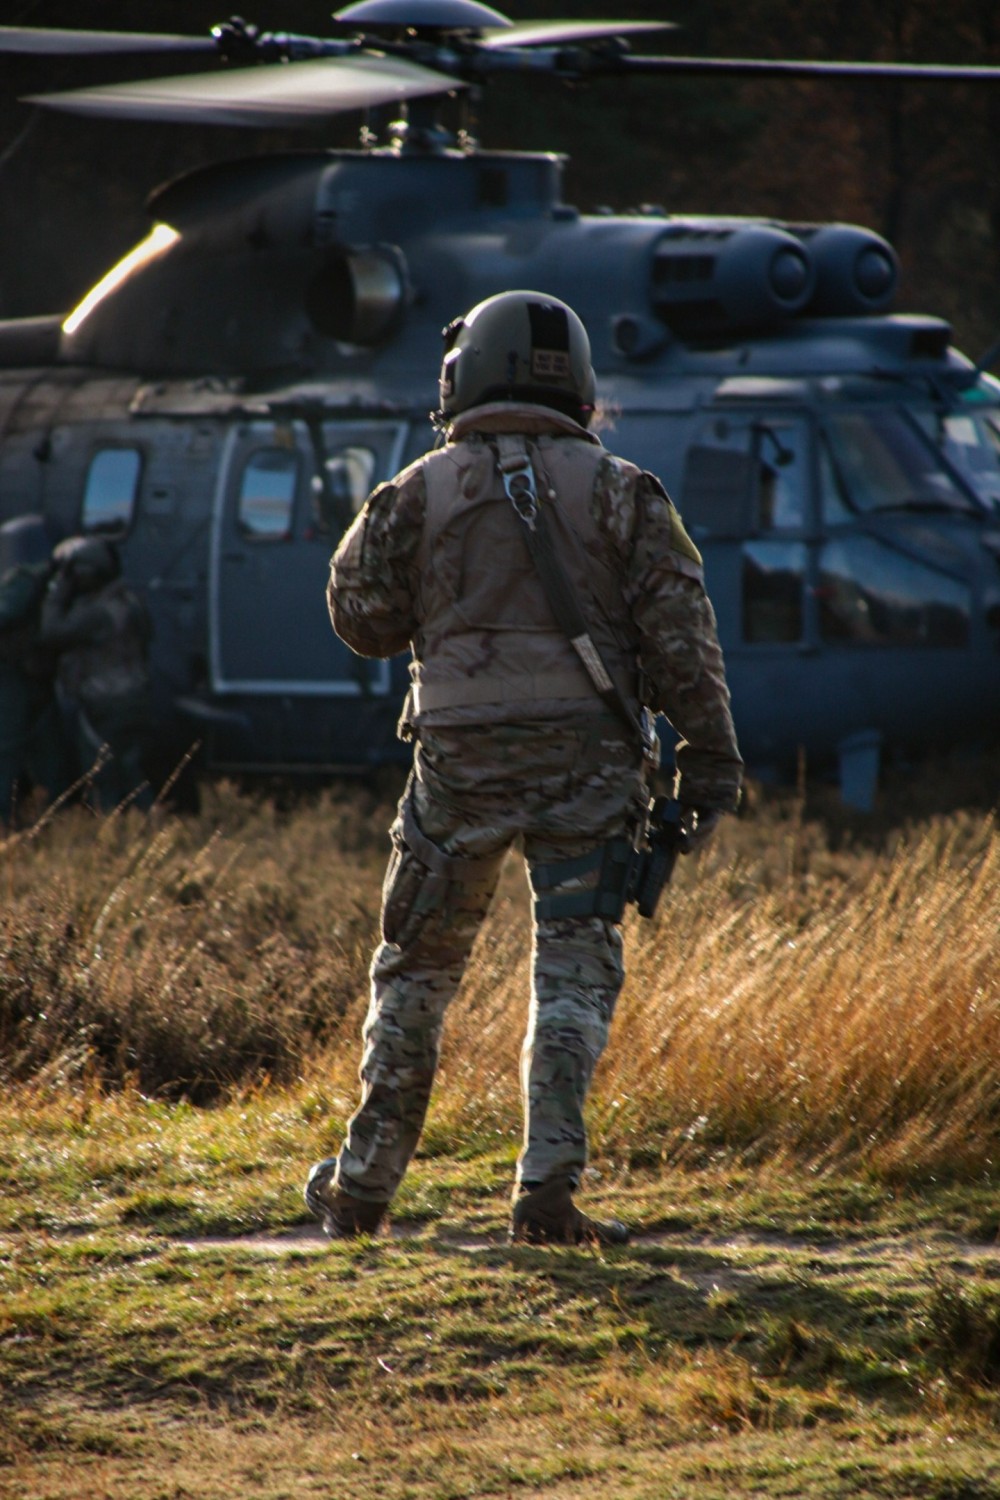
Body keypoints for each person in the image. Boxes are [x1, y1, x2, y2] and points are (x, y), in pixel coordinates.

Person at [305, 290, 743, 1246]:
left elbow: (357, 618)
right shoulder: (629, 492)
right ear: (579, 386)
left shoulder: (418, 489)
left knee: (416, 971)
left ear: (461, 379)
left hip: (458, 766)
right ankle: (548, 1189)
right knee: (574, 971)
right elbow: (683, 641)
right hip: (590, 765)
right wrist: (711, 764)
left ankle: (362, 1190)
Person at [39, 536, 154, 812]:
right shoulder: (129, 602)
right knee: (131, 767)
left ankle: (109, 835)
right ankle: (149, 827)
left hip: (105, 700)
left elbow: (52, 633)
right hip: (136, 694)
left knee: (101, 774)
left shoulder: (99, 613)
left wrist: (58, 592)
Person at [0, 515, 71, 826]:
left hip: (31, 676)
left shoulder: (33, 580)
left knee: (33, 748)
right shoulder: (39, 581)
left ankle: (48, 816)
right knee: (19, 747)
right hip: (22, 674)